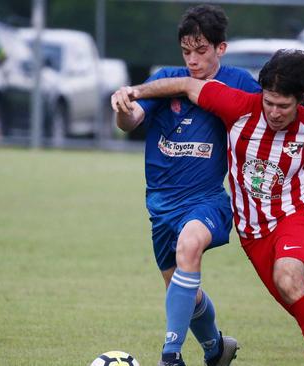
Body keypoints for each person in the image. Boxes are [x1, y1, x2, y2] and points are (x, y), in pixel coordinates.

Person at [113, 49, 304, 366]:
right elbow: (185, 84)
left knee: (290, 280)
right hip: (254, 233)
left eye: (284, 106)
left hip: (295, 216)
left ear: (301, 101)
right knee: (302, 303)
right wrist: (133, 92)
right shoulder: (237, 106)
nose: (275, 112)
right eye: (269, 102)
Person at [111, 5, 260, 366]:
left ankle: (170, 356)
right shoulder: (167, 79)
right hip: (161, 206)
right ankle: (215, 349)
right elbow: (131, 122)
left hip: (207, 200)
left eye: (201, 51)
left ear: (220, 48)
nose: (192, 60)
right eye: (186, 51)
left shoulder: (239, 82)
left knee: (189, 245)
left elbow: (267, 115)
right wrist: (121, 107)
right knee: (183, 292)